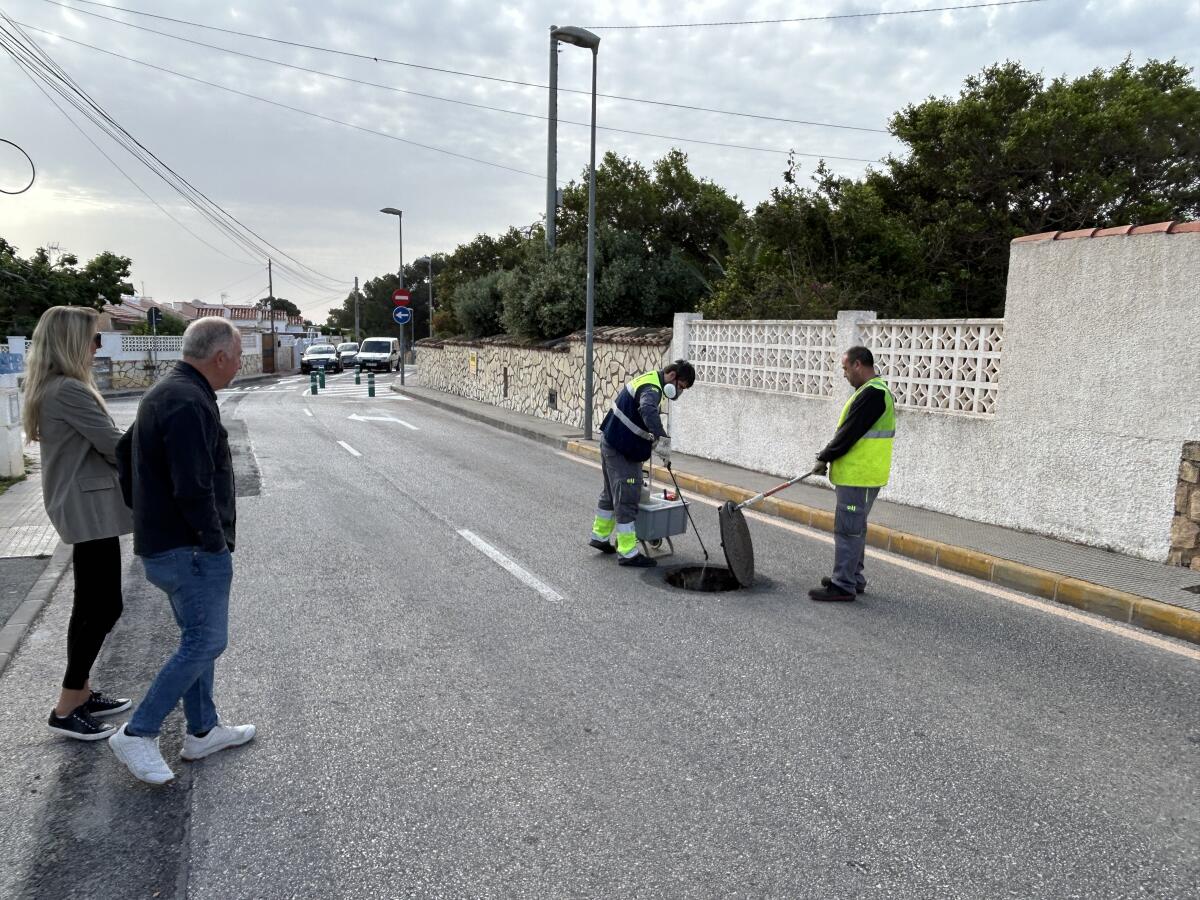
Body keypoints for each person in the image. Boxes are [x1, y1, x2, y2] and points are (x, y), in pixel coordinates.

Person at [109, 317, 254, 785]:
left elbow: (123, 450)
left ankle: (203, 730)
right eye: (237, 357)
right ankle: (139, 732)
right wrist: (214, 545)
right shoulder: (188, 401)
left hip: (166, 546)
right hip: (189, 550)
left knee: (197, 639)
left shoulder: (169, 391)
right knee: (206, 641)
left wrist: (146, 515)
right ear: (219, 358)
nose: (238, 366)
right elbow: (193, 488)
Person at [22, 307, 134, 741]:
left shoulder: (55, 387)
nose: (96, 347)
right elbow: (112, 445)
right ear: (71, 342)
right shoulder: (69, 390)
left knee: (91, 604)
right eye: (94, 339)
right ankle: (68, 705)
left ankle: (80, 692)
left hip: (80, 505)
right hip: (87, 509)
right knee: (102, 606)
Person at [808, 346, 895, 602]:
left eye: (846, 368)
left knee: (847, 530)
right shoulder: (871, 392)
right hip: (862, 475)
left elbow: (849, 432)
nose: (844, 374)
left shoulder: (873, 395)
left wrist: (825, 456)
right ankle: (853, 577)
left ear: (858, 365)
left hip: (860, 476)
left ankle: (843, 585)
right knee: (856, 529)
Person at [589, 360, 695, 568]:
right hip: (621, 449)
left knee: (611, 492)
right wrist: (661, 438)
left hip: (612, 442)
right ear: (672, 376)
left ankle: (600, 537)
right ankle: (628, 552)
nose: (680, 392)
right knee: (628, 496)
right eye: (681, 386)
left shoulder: (650, 380)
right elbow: (647, 409)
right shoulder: (652, 388)